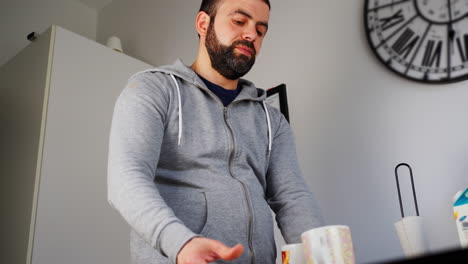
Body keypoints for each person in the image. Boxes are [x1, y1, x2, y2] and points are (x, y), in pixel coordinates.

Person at [107, 0, 324, 263]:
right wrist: (181, 243)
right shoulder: (152, 88)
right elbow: (126, 178)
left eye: (260, 29)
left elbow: (293, 197)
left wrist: (321, 255)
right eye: (239, 21)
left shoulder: (272, 121)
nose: (251, 34)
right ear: (203, 23)